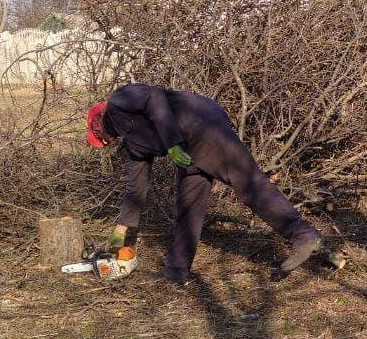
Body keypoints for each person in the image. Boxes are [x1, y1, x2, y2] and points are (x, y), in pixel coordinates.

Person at [87, 83, 322, 285]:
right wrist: (121, 229)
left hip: (202, 125)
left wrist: (171, 144)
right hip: (189, 146)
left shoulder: (119, 99)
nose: (107, 143)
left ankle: (302, 234)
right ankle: (176, 269)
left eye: (102, 140)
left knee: (249, 184)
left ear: (99, 127)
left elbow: (153, 96)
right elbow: (136, 188)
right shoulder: (133, 145)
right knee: (188, 205)